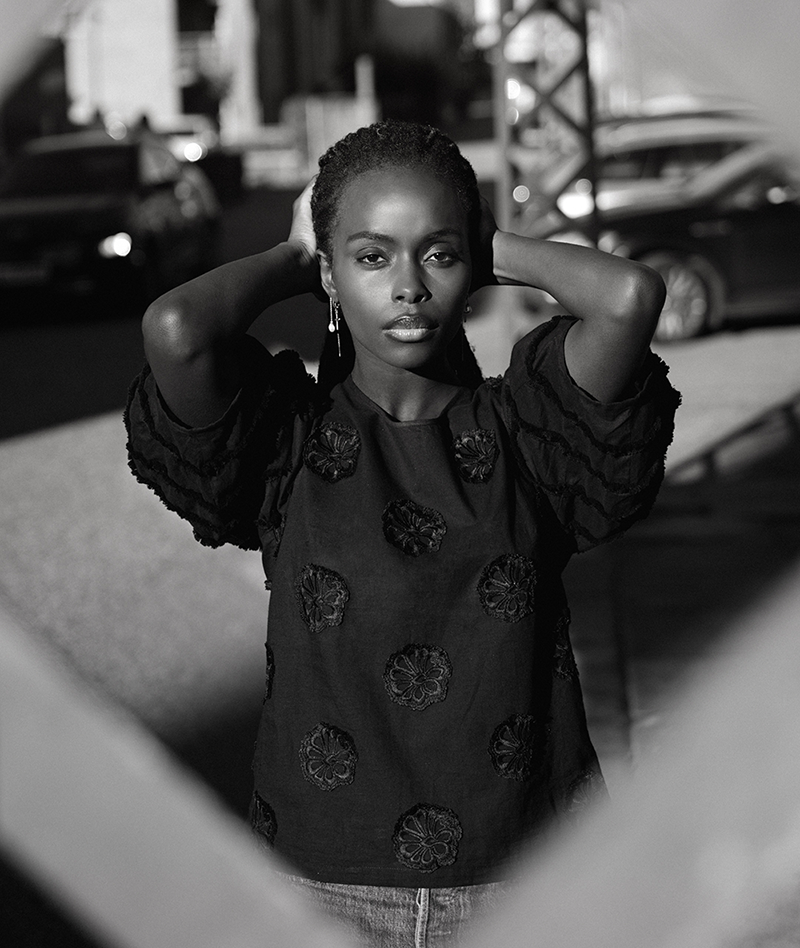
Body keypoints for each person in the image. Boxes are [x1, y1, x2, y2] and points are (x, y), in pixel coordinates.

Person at [125, 120, 679, 947]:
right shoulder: (287, 446)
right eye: (372, 256)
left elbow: (629, 297)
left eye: (440, 255)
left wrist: (487, 241)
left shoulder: (532, 434)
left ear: (474, 267)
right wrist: (290, 259)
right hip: (318, 888)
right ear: (331, 272)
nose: (409, 287)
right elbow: (177, 330)